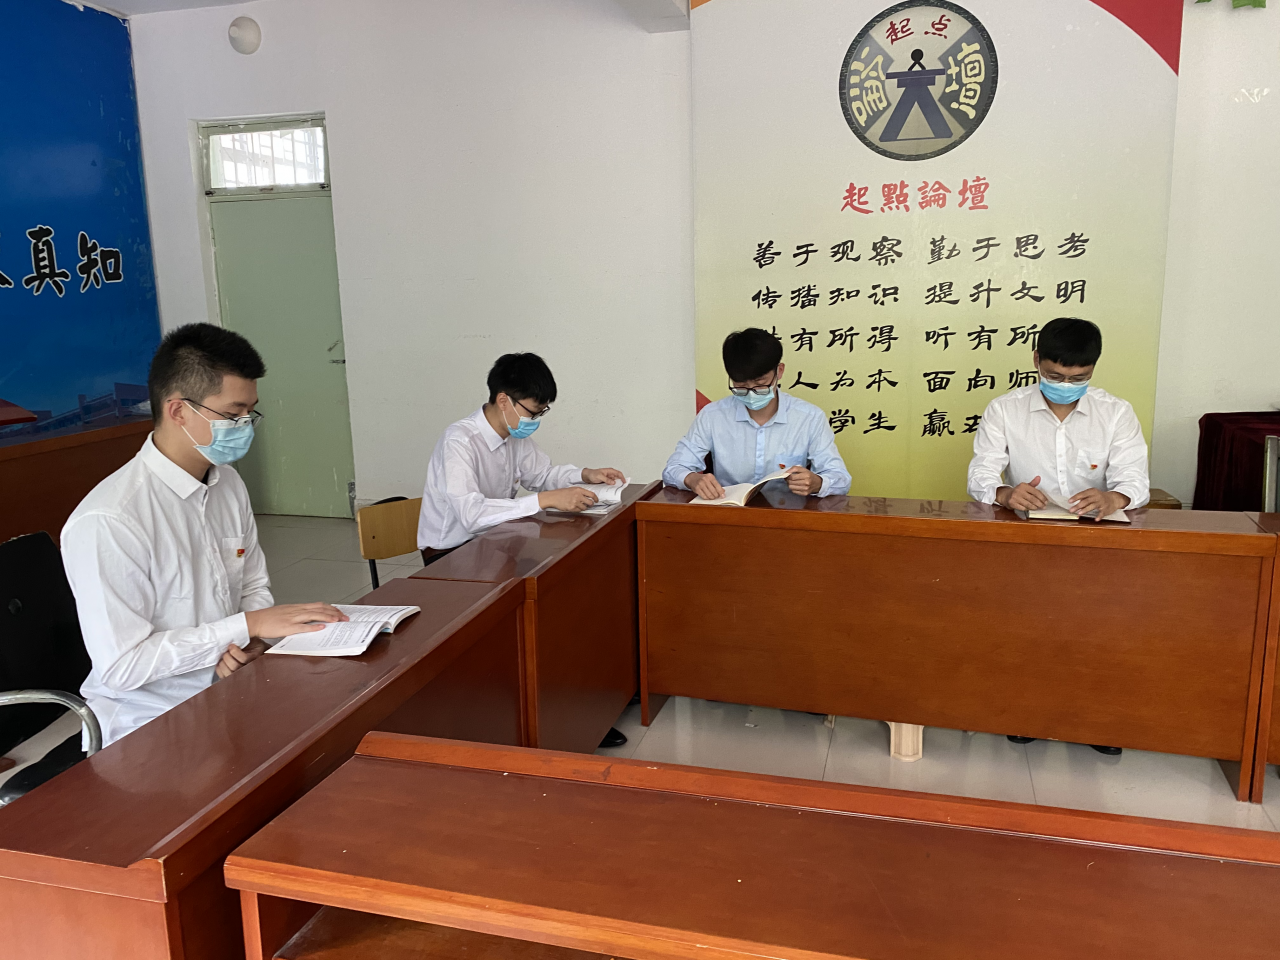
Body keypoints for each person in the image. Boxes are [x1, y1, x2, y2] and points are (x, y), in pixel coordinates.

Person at [62, 323, 347, 748]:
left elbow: (252, 585)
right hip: (147, 724)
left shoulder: (227, 483)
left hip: (230, 691)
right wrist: (246, 626)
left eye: (250, 413)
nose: (245, 425)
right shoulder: (111, 520)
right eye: (233, 414)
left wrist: (252, 642)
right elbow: (123, 666)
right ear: (179, 411)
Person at [416, 351, 629, 748]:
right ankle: (548, 714)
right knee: (538, 610)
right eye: (533, 411)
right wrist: (545, 500)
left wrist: (586, 474)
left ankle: (586, 703)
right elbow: (471, 514)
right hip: (451, 555)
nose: (536, 420)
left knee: (563, 594)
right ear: (504, 400)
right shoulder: (459, 441)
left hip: (495, 542)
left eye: (542, 412)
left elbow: (541, 474)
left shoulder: (513, 435)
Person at [966, 315, 1150, 756]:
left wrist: (1114, 498)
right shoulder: (1005, 409)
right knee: (1028, 632)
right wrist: (1006, 493)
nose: (1066, 385)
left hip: (1097, 540)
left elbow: (1135, 479)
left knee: (1096, 635)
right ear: (1036, 360)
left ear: (1093, 368)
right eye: (1055, 375)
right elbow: (980, 474)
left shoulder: (1115, 412)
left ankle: (1094, 722)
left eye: (1079, 378)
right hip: (1031, 538)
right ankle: (1029, 713)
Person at [662, 327, 851, 499]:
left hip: (787, 516)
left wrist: (818, 483)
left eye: (760, 383)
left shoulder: (809, 417)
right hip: (728, 513)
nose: (751, 392)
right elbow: (674, 468)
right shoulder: (713, 415)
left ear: (779, 371)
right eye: (741, 385)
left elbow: (840, 478)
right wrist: (692, 479)